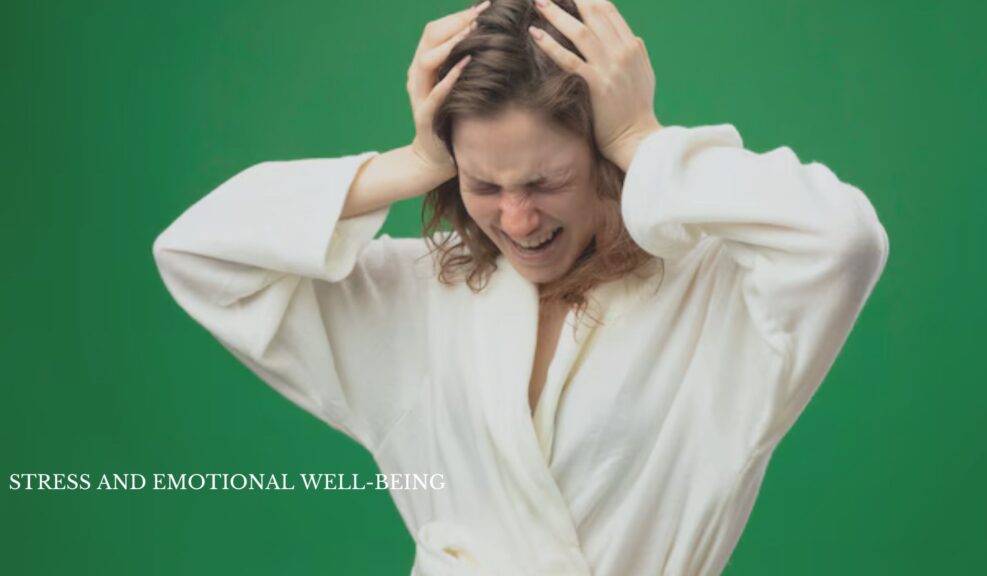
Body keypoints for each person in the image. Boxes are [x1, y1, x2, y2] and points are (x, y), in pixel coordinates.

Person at [152, 0, 889, 574]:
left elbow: (844, 241)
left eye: (545, 180)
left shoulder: (709, 296)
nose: (517, 217)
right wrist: (412, 161)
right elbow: (197, 254)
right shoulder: (421, 298)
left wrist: (641, 137)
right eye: (483, 183)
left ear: (602, 160)